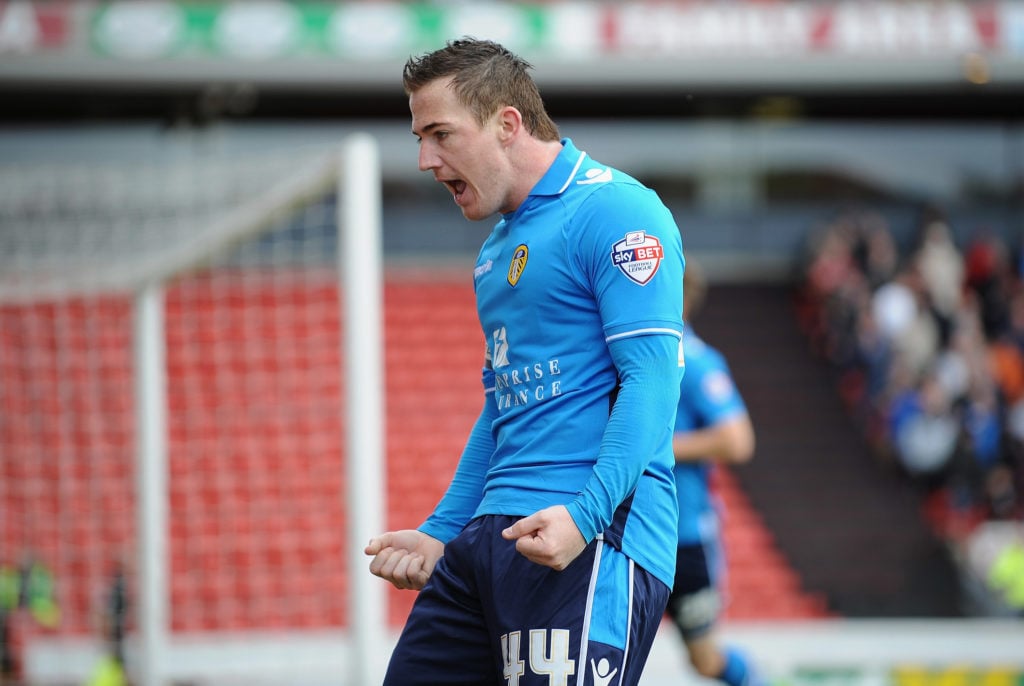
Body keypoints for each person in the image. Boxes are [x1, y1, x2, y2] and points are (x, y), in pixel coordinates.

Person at [364, 37, 685, 686]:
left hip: (588, 534)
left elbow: (651, 378)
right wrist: (441, 531)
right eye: (419, 138)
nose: (426, 159)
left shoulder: (618, 210)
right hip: (486, 542)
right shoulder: (494, 252)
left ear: (507, 124)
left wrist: (586, 516)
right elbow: (503, 405)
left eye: (440, 135)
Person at [666, 261, 764, 686]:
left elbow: (738, 440)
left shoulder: (698, 361)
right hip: (634, 532)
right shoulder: (637, 352)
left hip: (686, 538)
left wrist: (657, 452)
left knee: (704, 659)